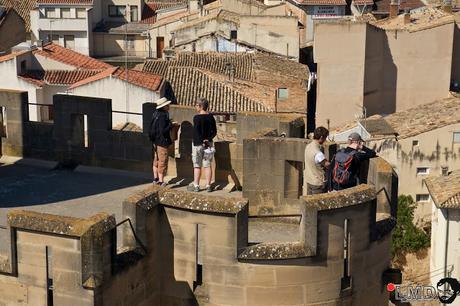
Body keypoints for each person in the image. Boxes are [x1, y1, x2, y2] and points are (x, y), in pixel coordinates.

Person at [187, 98, 217, 192]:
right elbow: (214, 131)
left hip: (198, 144)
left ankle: (196, 185)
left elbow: (196, 132)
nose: (195, 107)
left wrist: (201, 140)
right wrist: (207, 139)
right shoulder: (211, 117)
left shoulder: (196, 118)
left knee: (197, 165)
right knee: (207, 165)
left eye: (196, 105)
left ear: (200, 106)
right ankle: (208, 185)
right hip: (209, 144)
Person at [149, 97, 175, 187]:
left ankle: (155, 179)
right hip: (162, 142)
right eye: (167, 105)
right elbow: (163, 130)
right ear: (164, 106)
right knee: (162, 161)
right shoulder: (163, 116)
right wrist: (171, 125)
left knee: (156, 160)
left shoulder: (155, 114)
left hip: (155, 141)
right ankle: (161, 181)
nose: (169, 106)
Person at [304, 126, 330, 195]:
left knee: (309, 203)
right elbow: (327, 165)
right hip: (318, 183)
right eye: (325, 137)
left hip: (309, 180)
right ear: (321, 137)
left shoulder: (308, 146)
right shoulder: (318, 153)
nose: (325, 140)